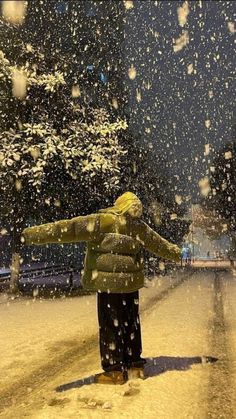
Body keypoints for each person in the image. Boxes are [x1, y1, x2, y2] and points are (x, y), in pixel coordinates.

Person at [22, 192, 180, 385]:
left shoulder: (101, 221)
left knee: (110, 326)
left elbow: (67, 228)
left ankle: (114, 371)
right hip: (130, 285)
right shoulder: (138, 227)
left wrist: (29, 235)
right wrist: (177, 254)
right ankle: (134, 366)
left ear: (118, 205)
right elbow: (159, 244)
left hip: (108, 286)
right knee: (131, 323)